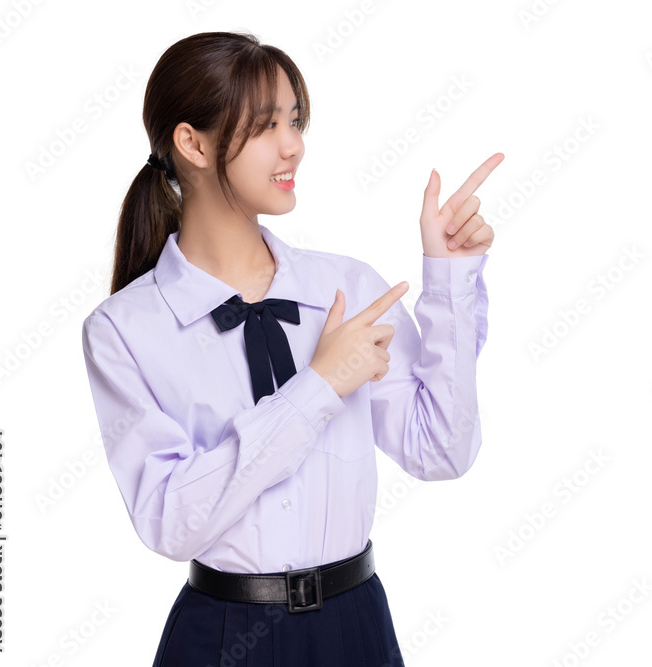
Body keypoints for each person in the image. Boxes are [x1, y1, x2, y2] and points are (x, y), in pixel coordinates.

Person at [80, 30, 501, 666]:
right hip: (221, 635)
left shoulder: (347, 286)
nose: (294, 145)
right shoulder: (124, 328)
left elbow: (443, 450)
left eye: (296, 120)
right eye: (266, 124)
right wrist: (320, 386)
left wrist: (451, 279)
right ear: (192, 143)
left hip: (357, 625)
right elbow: (170, 521)